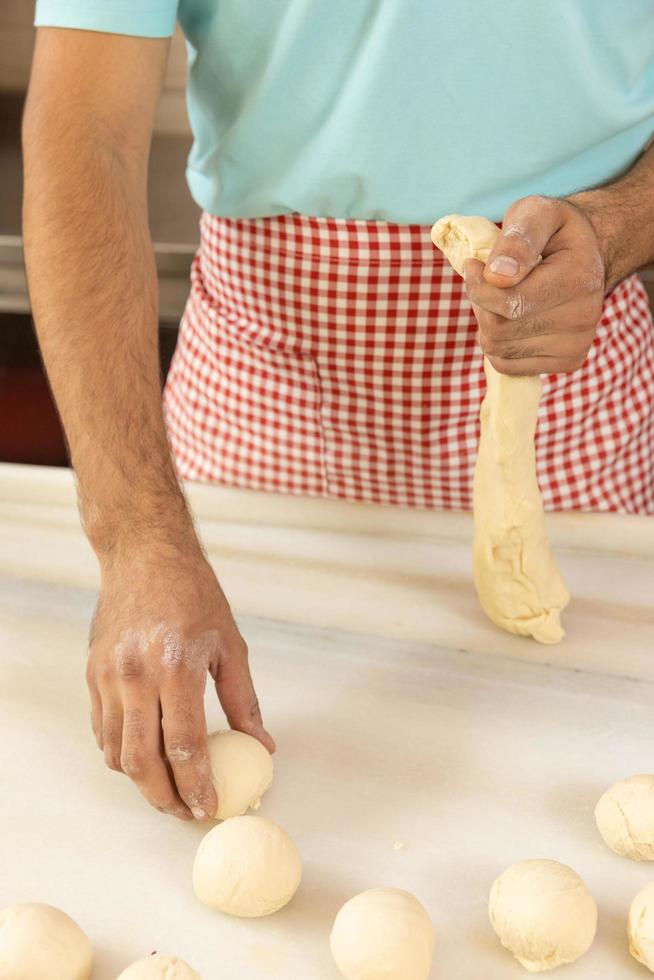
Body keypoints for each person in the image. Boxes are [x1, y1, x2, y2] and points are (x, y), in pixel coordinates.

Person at [22, 2, 654, 821]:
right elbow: (84, 135)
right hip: (258, 402)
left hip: (575, 395)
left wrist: (613, 228)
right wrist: (139, 539)